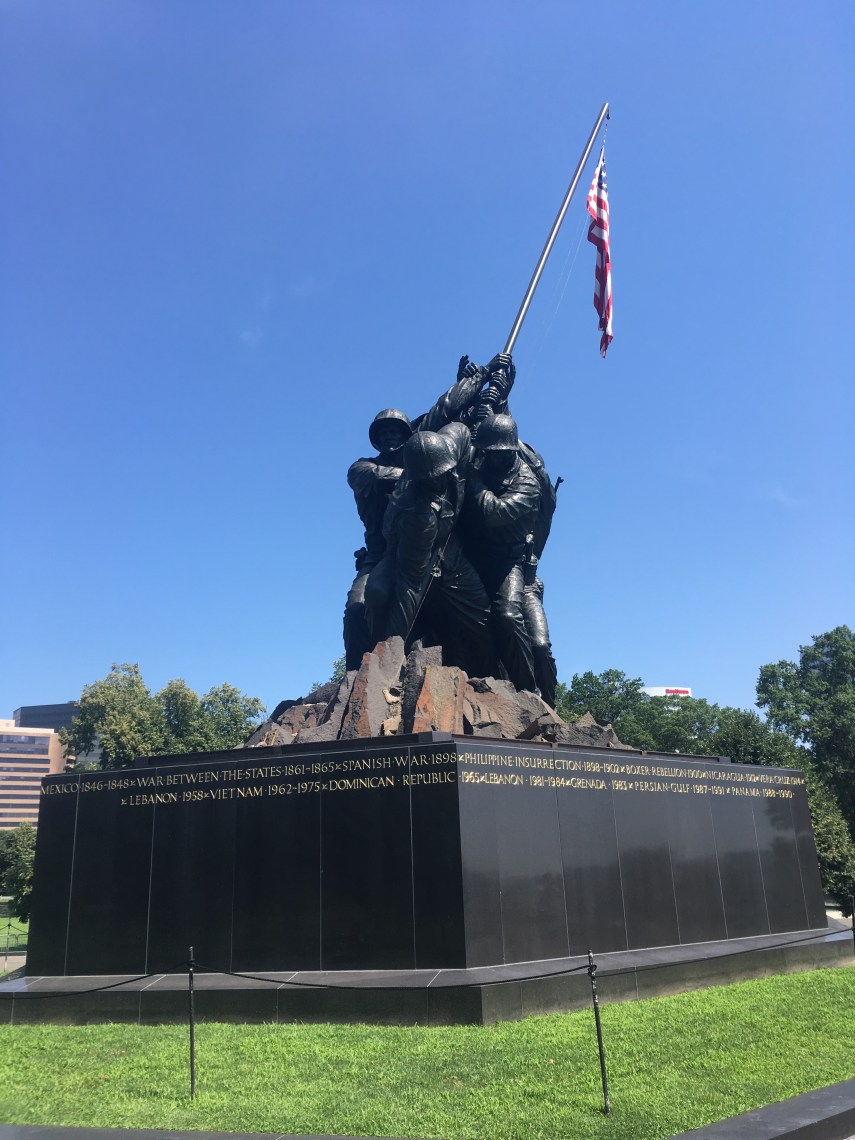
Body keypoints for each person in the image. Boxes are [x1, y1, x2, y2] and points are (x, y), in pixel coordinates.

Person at [364, 423, 494, 676]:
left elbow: (461, 429)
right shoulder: (417, 513)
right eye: (428, 479)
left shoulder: (450, 441)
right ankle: (383, 655)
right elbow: (409, 587)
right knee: (377, 592)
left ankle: (489, 678)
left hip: (451, 550)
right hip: (408, 549)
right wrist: (390, 652)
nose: (436, 481)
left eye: (440, 474)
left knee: (483, 615)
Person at [462, 414, 541, 693]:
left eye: (500, 454)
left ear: (511, 450)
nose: (493, 459)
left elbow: (496, 513)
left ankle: (528, 693)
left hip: (507, 562)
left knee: (507, 616)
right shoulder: (481, 464)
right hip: (473, 556)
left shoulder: (528, 483)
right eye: (489, 453)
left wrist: (474, 482)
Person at [342, 408, 412, 670]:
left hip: (418, 554)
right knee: (356, 610)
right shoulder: (361, 468)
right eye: (384, 433)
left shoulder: (419, 464)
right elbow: (381, 477)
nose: (389, 437)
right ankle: (354, 679)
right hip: (377, 556)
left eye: (395, 431)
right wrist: (418, 473)